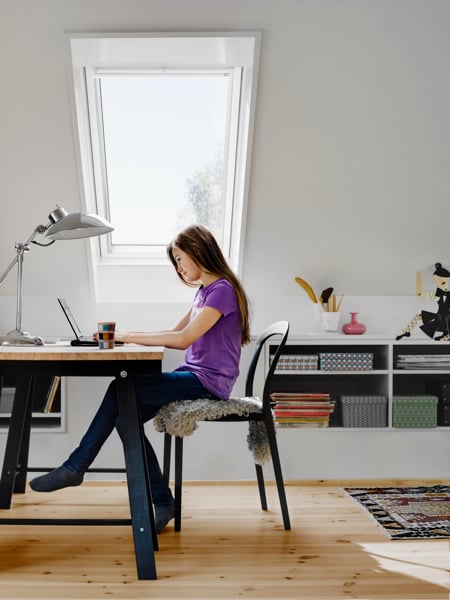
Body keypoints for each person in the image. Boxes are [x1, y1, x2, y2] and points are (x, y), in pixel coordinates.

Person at [30, 224, 251, 533]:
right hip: (193, 376)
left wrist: (127, 335)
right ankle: (162, 503)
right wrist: (125, 337)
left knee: (121, 387)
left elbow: (184, 339)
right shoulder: (204, 293)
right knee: (125, 416)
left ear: (197, 252)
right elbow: (174, 333)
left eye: (179, 259)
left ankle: (75, 466)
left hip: (209, 383)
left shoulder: (222, 291)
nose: (179, 267)